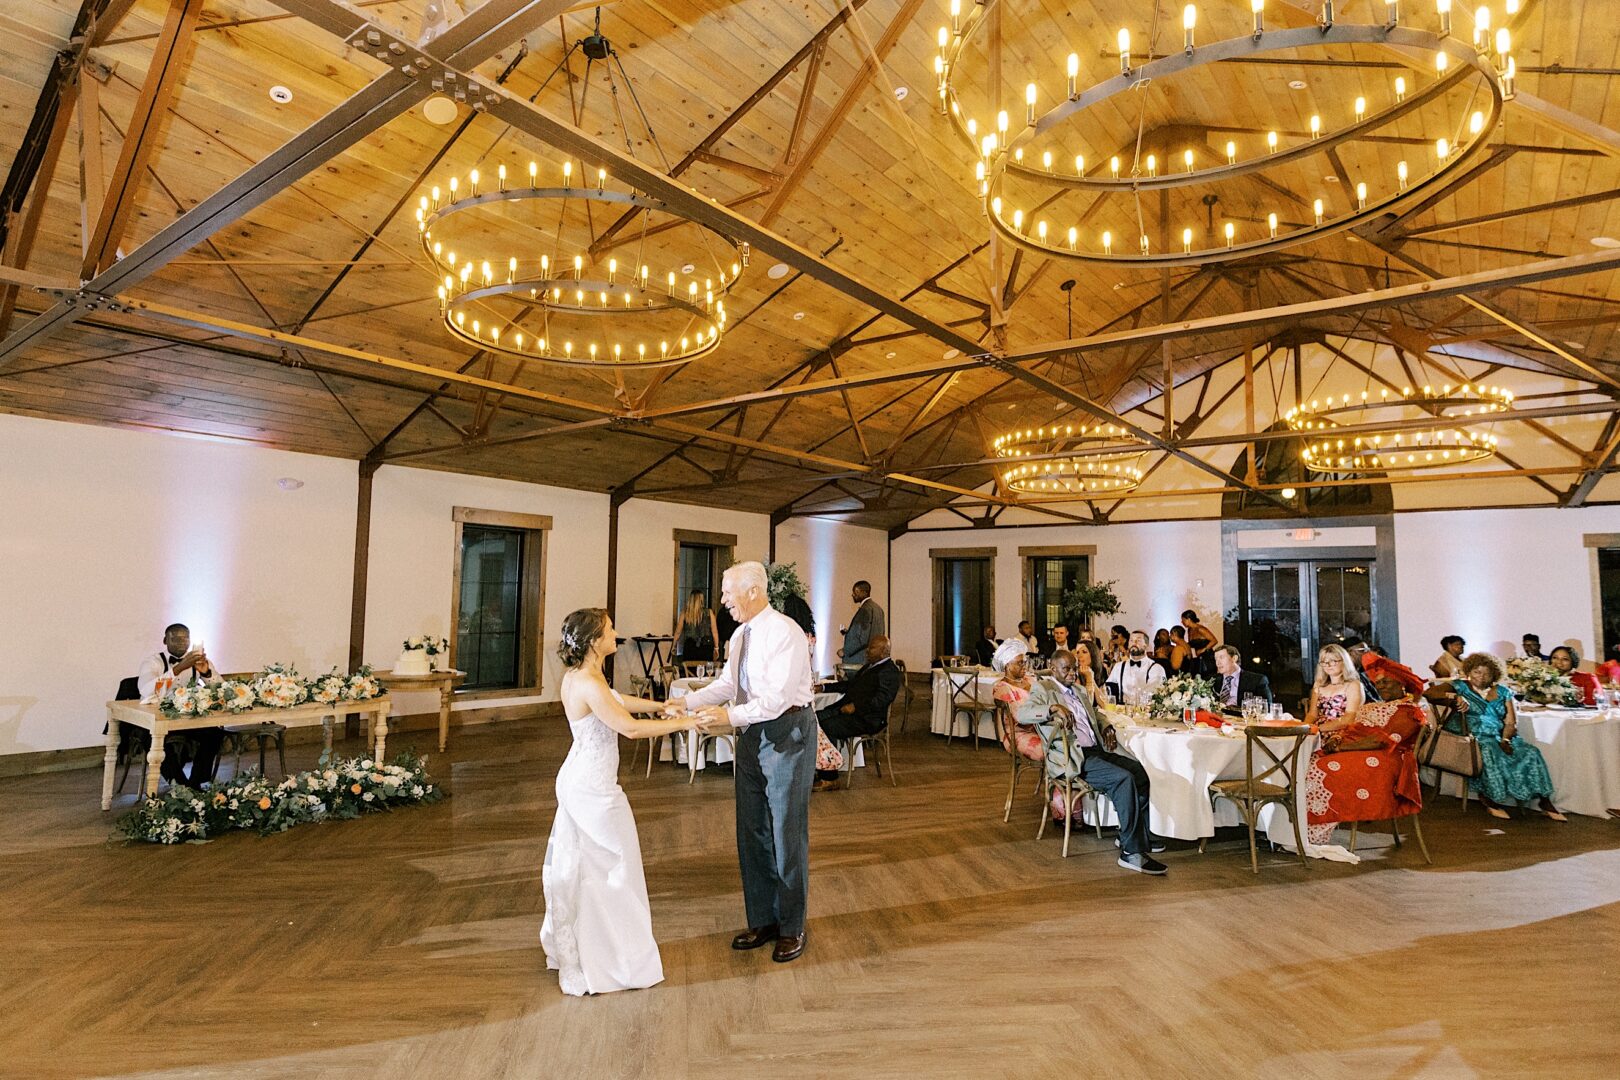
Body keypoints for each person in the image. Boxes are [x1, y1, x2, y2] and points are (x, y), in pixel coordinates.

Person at [540, 608, 700, 996]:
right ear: (596, 640)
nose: (615, 632)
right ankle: (613, 959)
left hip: (584, 780)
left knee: (593, 867)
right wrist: (685, 723)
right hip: (593, 791)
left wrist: (661, 706)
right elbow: (627, 728)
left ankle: (597, 948)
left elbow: (617, 701)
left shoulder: (585, 676)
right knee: (615, 868)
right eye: (610, 629)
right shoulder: (587, 682)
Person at [678, 561, 817, 964]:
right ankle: (764, 919)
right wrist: (685, 701)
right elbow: (728, 685)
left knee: (786, 835)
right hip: (752, 736)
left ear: (753, 591)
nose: (723, 600)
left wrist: (728, 717)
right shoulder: (741, 634)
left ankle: (792, 927)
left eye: (727, 592)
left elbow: (774, 699)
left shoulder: (785, 633)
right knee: (752, 831)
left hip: (787, 734)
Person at [1015, 647, 1167, 875]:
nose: (1072, 673)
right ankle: (1131, 853)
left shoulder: (1078, 689)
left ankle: (1135, 834)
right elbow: (1022, 714)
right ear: (1054, 669)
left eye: (1075, 668)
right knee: (1122, 779)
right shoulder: (1044, 688)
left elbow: (1095, 714)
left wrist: (1105, 726)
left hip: (1096, 750)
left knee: (1139, 772)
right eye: (1067, 669)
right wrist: (1052, 708)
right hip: (1074, 757)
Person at [1448, 652, 1564, 821]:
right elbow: (1432, 693)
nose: (1481, 677)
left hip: (1500, 735)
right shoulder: (1460, 686)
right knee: (1488, 750)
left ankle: (1544, 801)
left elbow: (1510, 722)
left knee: (1531, 752)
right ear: (1469, 671)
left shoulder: (1503, 692)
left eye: (1487, 673)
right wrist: (1455, 697)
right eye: (1476, 672)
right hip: (1474, 735)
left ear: (1494, 675)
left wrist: (1506, 739)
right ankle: (1490, 799)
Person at [135, 622, 225, 786]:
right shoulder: (153, 662)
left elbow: (221, 689)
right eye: (175, 638)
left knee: (214, 734)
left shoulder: (198, 661)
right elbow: (147, 690)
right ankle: (179, 784)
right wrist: (178, 669)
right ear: (165, 641)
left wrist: (206, 672)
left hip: (186, 718)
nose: (181, 643)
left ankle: (198, 782)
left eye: (185, 639)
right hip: (157, 719)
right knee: (154, 739)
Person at [814, 635, 900, 789]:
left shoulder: (889, 672)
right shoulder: (870, 666)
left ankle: (830, 777)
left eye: (872, 648)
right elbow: (851, 685)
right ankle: (820, 766)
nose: (867, 651)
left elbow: (881, 700)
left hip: (867, 719)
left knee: (826, 727)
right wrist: (825, 688)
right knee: (814, 721)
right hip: (850, 712)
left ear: (883, 652)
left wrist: (856, 706)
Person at [1305, 644, 1364, 733]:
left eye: (1333, 661)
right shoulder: (1319, 685)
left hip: (1341, 733)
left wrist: (1318, 729)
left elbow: (1349, 718)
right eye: (1324, 661)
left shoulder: (1353, 685)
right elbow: (1312, 714)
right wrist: (1303, 729)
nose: (1328, 665)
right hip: (1316, 732)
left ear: (1344, 662)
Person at [1105, 630, 1165, 703]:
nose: (1134, 643)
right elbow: (1108, 689)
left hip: (1145, 711)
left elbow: (1154, 693)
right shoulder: (1119, 667)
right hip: (1121, 711)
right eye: (1131, 640)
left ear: (1146, 645)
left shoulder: (1156, 668)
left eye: (1138, 640)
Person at [839, 580, 886, 667]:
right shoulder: (879, 609)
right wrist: (848, 633)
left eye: (856, 592)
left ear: (864, 593)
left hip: (859, 660)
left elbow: (863, 639)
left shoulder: (864, 610)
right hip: (874, 660)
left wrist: (845, 651)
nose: (853, 594)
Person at [1211, 644, 1272, 711]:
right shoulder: (1212, 680)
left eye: (1221, 657)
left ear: (1234, 658)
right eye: (1216, 659)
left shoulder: (1257, 680)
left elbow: (1266, 708)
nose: (1217, 663)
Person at [674, 589, 718, 666]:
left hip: (690, 647)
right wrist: (716, 648)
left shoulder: (685, 613)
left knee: (690, 670)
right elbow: (714, 632)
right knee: (705, 672)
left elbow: (678, 632)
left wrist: (674, 645)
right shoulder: (709, 613)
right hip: (706, 647)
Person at [1339, 637, 1383, 702]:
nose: (1367, 654)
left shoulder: (1362, 674)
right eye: (1362, 651)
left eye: (1367, 651)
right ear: (1348, 653)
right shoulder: (1343, 676)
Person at [1180, 610, 1217, 675]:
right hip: (1196, 659)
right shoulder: (1189, 630)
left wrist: (1203, 649)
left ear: (1189, 619)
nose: (1182, 622)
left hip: (1206, 658)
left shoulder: (1200, 629)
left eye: (1183, 620)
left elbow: (1214, 640)